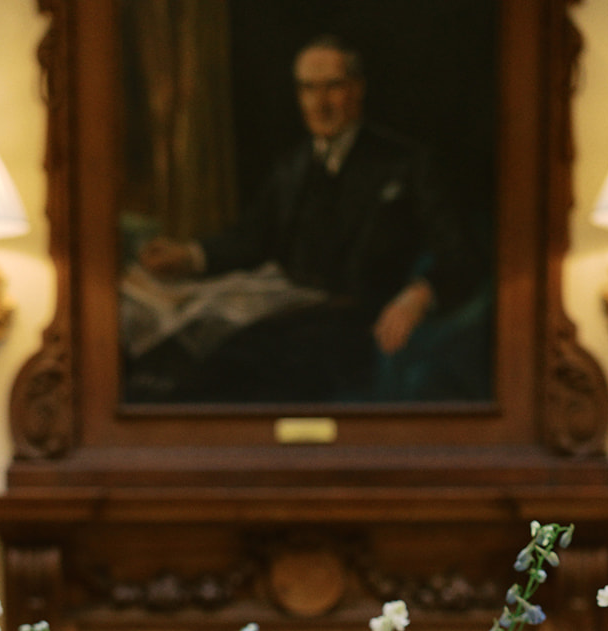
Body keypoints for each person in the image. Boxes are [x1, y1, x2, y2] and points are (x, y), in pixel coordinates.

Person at [133, 36, 482, 402]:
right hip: (281, 310)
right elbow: (252, 236)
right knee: (172, 347)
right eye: (308, 89)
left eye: (333, 87)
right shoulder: (292, 166)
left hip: (350, 325)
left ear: (357, 89)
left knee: (216, 371)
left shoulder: (406, 163)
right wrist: (189, 255)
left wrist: (421, 293)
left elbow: (461, 252)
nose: (320, 103)